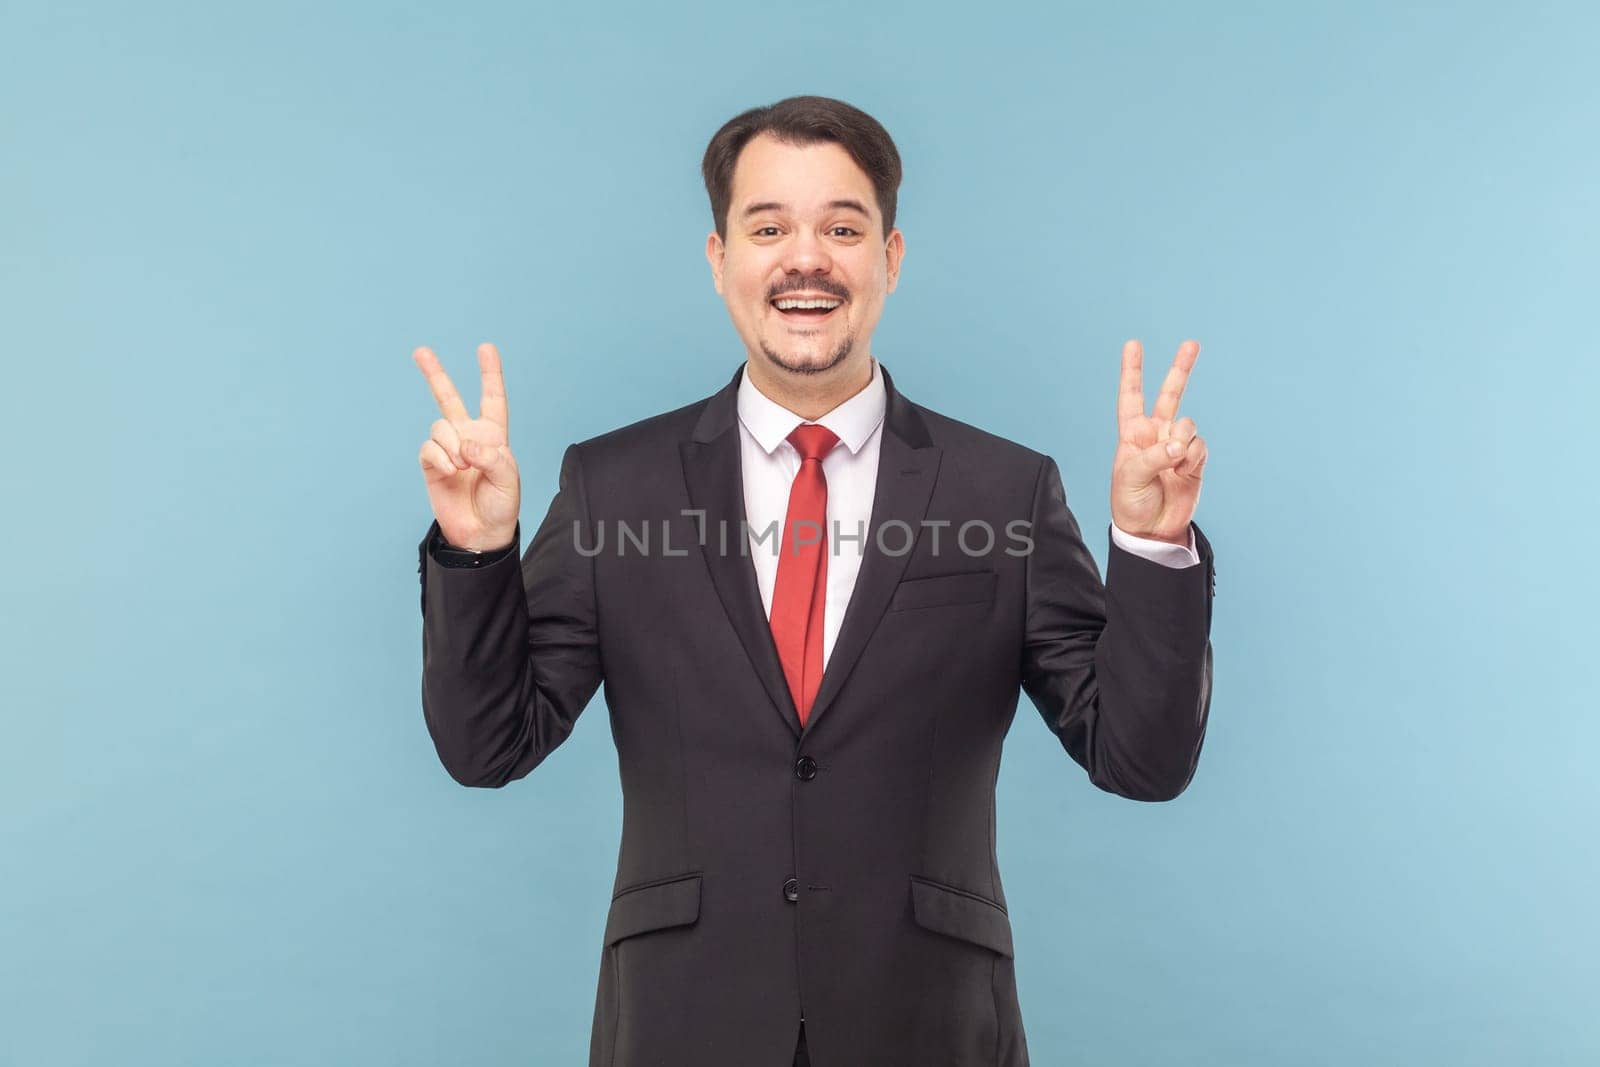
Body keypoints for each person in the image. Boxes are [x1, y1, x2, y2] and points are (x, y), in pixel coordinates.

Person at [412, 95, 1214, 1067]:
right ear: (719, 262)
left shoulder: (1003, 489)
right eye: (768, 227)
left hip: (926, 1022)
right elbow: (487, 744)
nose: (807, 258)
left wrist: (1152, 539)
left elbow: (1139, 757)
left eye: (843, 226)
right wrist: (476, 550)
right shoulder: (611, 484)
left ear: (891, 257)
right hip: (681, 1021)